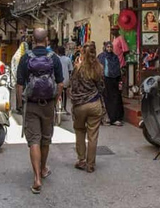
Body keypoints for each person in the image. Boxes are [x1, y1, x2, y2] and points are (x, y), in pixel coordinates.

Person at [16, 28, 64, 194]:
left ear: (32, 40)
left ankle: (36, 178)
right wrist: (55, 100)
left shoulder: (25, 58)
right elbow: (60, 83)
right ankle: (43, 168)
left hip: (31, 104)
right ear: (47, 40)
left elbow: (19, 84)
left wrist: (20, 105)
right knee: (45, 139)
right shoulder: (54, 59)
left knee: (34, 140)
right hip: (48, 104)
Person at [69, 41, 105, 173]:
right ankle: (91, 164)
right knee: (93, 135)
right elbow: (101, 87)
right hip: (94, 104)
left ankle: (81, 160)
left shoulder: (77, 68)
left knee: (79, 131)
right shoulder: (99, 67)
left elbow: (72, 86)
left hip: (80, 105)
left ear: (82, 53)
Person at [98, 42, 124, 126]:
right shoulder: (101, 56)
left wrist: (119, 80)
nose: (109, 48)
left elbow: (117, 69)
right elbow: (98, 68)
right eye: (108, 47)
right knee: (106, 99)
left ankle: (115, 118)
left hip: (114, 80)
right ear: (105, 47)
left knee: (115, 99)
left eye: (110, 47)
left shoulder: (115, 57)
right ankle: (107, 118)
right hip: (104, 80)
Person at [57, 46, 73, 113]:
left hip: (57, 80)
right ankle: (65, 107)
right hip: (65, 80)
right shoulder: (68, 59)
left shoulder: (56, 59)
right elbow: (70, 70)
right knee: (65, 94)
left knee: (57, 93)